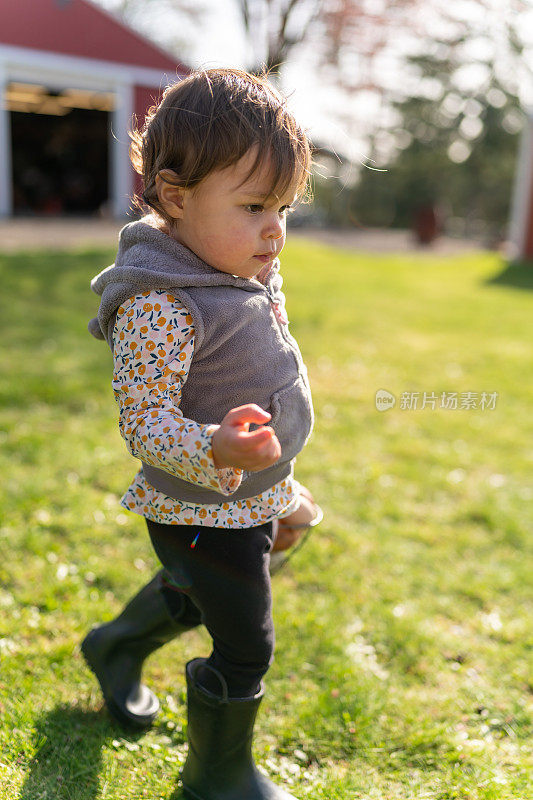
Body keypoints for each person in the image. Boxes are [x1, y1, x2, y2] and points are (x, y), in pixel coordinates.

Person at [81, 67, 322, 800]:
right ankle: (216, 777)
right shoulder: (160, 302)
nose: (274, 230)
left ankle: (115, 645)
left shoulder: (238, 262)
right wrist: (214, 446)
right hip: (198, 507)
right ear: (175, 198)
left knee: (207, 588)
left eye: (283, 207)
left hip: (246, 490)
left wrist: (277, 484)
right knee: (246, 641)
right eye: (253, 206)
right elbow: (145, 420)